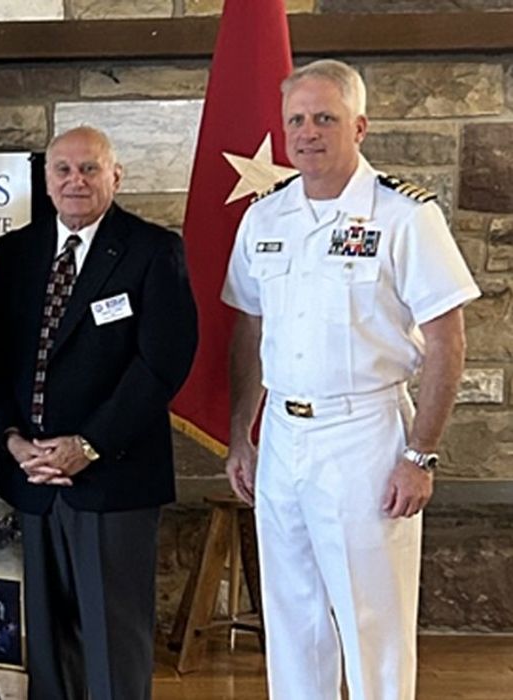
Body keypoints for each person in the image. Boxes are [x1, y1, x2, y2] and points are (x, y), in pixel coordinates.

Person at [222, 59, 479, 700]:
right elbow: (250, 331)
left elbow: (448, 341)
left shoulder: (404, 216)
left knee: (374, 622)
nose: (308, 133)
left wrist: (419, 455)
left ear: (359, 126)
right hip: (282, 434)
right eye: (296, 121)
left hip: (363, 434)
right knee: (292, 619)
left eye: (325, 118)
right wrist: (239, 434)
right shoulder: (265, 218)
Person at [0, 126, 197, 700]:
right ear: (45, 180)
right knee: (46, 651)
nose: (76, 181)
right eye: (64, 170)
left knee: (113, 648)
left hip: (112, 479)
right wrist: (13, 440)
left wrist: (87, 445)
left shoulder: (151, 250)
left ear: (115, 177)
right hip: (33, 481)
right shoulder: (16, 253)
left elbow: (161, 365)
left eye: (90, 169)